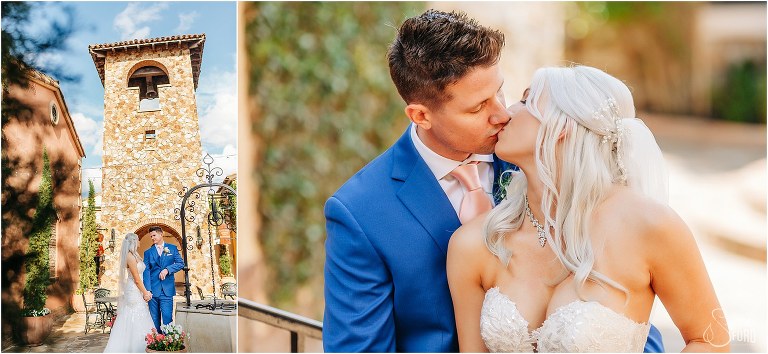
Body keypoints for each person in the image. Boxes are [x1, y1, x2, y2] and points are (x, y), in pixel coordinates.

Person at [447, 65, 729, 352]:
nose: (506, 113)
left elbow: (710, 341)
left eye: (526, 101)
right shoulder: (476, 243)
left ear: (563, 125)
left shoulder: (649, 226)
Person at [323, 9, 513, 352]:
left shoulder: (532, 160)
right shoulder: (359, 211)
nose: (502, 114)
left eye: (500, 91)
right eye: (478, 107)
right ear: (421, 115)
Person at [103, 233, 155, 352]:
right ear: (134, 242)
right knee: (133, 315)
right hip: (133, 290)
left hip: (137, 290)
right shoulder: (130, 257)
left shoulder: (134, 255)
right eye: (138, 240)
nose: (140, 242)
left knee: (137, 315)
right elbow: (136, 279)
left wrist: (143, 291)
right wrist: (145, 292)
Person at [142, 225, 184, 332]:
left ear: (161, 234)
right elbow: (146, 271)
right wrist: (147, 290)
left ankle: (168, 343)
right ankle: (156, 343)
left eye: (154, 235)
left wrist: (168, 270)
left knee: (167, 318)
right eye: (151, 236)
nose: (152, 238)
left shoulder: (172, 248)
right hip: (153, 290)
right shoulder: (148, 252)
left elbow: (180, 263)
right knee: (154, 319)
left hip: (167, 290)